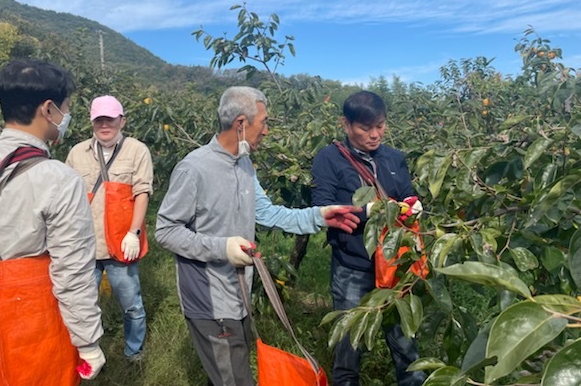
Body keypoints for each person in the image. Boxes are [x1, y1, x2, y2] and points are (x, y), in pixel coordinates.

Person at [156, 86, 362, 386]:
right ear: (241, 124)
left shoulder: (243, 164)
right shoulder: (194, 169)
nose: (267, 130)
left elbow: (268, 212)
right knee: (236, 378)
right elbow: (166, 230)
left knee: (232, 372)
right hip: (209, 299)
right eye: (263, 122)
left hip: (238, 293)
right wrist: (222, 247)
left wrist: (319, 216)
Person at [0, 59, 105, 384]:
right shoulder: (58, 178)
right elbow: (72, 273)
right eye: (65, 108)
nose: (65, 116)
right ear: (48, 109)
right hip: (26, 340)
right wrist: (88, 342)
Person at [311, 91, 426, 386]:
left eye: (380, 126)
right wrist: (367, 211)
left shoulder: (394, 158)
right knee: (348, 347)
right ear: (346, 125)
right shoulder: (329, 159)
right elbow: (322, 207)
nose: (374, 135)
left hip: (393, 266)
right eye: (365, 128)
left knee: (406, 346)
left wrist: (413, 207)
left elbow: (405, 194)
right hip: (353, 265)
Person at [66, 95, 152, 362]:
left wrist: (133, 233)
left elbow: (142, 192)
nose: (105, 124)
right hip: (85, 245)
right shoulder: (77, 153)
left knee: (131, 306)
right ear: (92, 122)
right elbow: (67, 197)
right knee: (81, 305)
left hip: (120, 242)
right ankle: (86, 353)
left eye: (110, 119)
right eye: (99, 119)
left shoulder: (137, 150)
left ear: (121, 120)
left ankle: (134, 353)